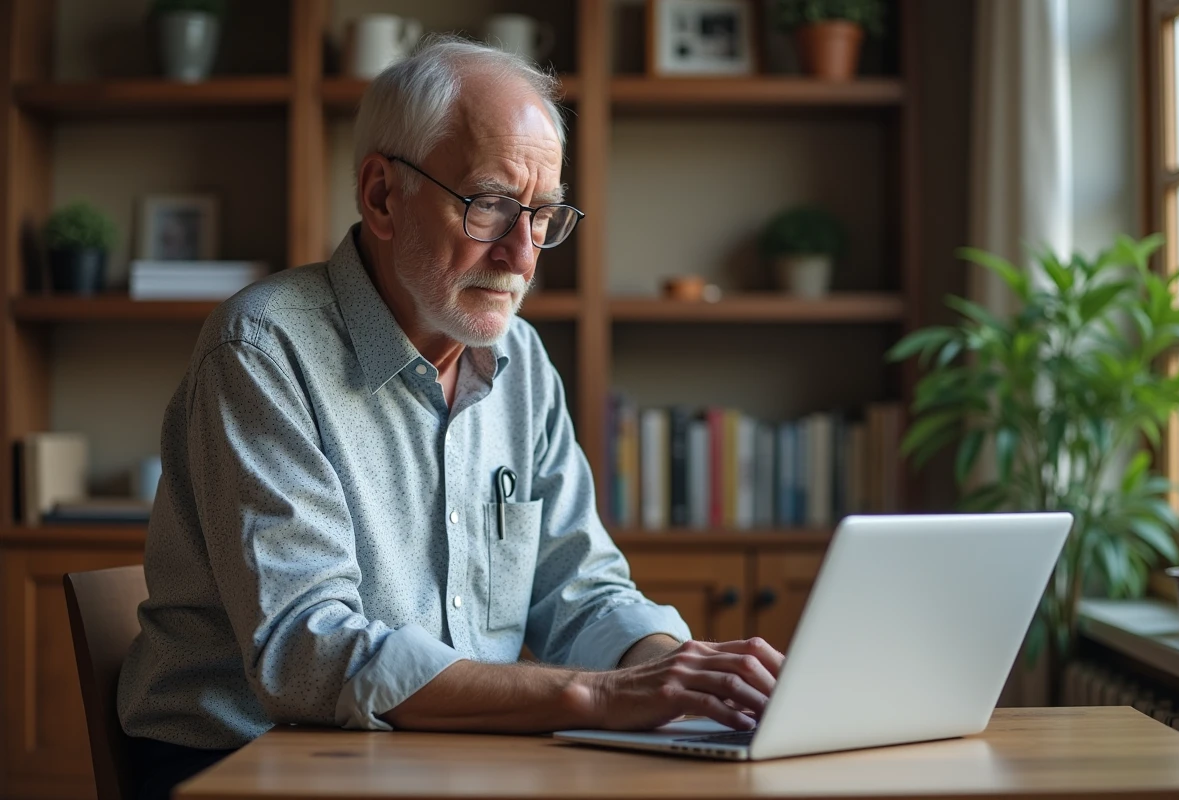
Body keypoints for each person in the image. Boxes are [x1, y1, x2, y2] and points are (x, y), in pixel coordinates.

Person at [117, 36, 783, 800]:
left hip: (438, 756)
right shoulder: (262, 350)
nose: (523, 258)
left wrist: (675, 672)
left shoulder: (523, 361)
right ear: (381, 196)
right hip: (242, 762)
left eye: (543, 216)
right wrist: (597, 697)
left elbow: (582, 590)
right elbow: (309, 654)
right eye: (492, 205)